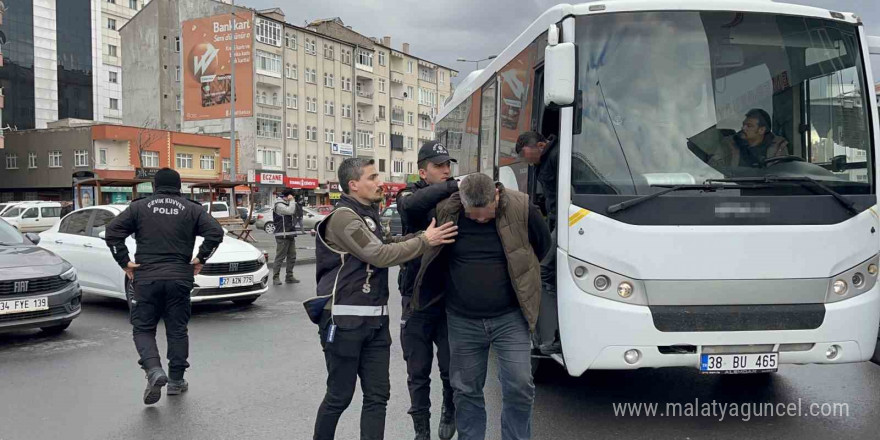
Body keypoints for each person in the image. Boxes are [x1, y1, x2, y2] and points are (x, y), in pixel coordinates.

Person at [308, 158, 458, 440]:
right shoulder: (343, 218)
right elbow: (378, 255)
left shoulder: (368, 214)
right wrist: (426, 241)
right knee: (339, 396)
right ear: (353, 185)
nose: (380, 183)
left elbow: (386, 244)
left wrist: (420, 235)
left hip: (375, 322)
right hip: (343, 321)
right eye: (373, 177)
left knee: (378, 397)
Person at [412, 173, 551, 440]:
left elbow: (542, 246)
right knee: (465, 390)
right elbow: (410, 211)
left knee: (520, 385)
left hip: (510, 318)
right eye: (472, 215)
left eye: (484, 214)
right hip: (462, 320)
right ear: (462, 202)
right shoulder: (446, 211)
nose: (478, 219)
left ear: (496, 196)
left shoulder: (522, 207)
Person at [104, 168, 224, 405]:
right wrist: (200, 258)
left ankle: (154, 370)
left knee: (143, 328)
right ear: (179, 186)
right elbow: (215, 232)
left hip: (146, 277)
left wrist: (125, 262)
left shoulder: (139, 207)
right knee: (177, 329)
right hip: (180, 277)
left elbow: (113, 232)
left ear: (155, 186)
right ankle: (176, 381)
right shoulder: (191, 208)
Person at [396, 141, 460, 440]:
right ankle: (421, 430)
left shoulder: (454, 195)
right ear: (422, 171)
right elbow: (412, 205)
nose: (446, 170)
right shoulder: (408, 195)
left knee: (450, 367)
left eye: (448, 165)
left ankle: (450, 408)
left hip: (449, 295)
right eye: (439, 166)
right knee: (418, 371)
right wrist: (452, 187)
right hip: (416, 296)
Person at [516, 131, 560, 354]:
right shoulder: (546, 159)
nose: (526, 161)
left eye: (526, 155)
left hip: (566, 221)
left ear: (541, 145)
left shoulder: (557, 156)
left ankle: (551, 336)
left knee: (543, 271)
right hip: (556, 221)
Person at [710, 108, 790, 169]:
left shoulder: (778, 147)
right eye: (743, 124)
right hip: (734, 188)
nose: (743, 128)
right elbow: (713, 168)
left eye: (749, 126)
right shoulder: (728, 144)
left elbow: (784, 174)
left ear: (761, 130)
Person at [273, 189, 300, 285]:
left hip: (290, 234)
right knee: (280, 257)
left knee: (292, 256)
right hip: (282, 235)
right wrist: (292, 201)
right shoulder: (279, 205)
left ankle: (289, 276)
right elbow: (290, 211)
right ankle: (275, 277)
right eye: (293, 196)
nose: (293, 199)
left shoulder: (287, 203)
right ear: (289, 196)